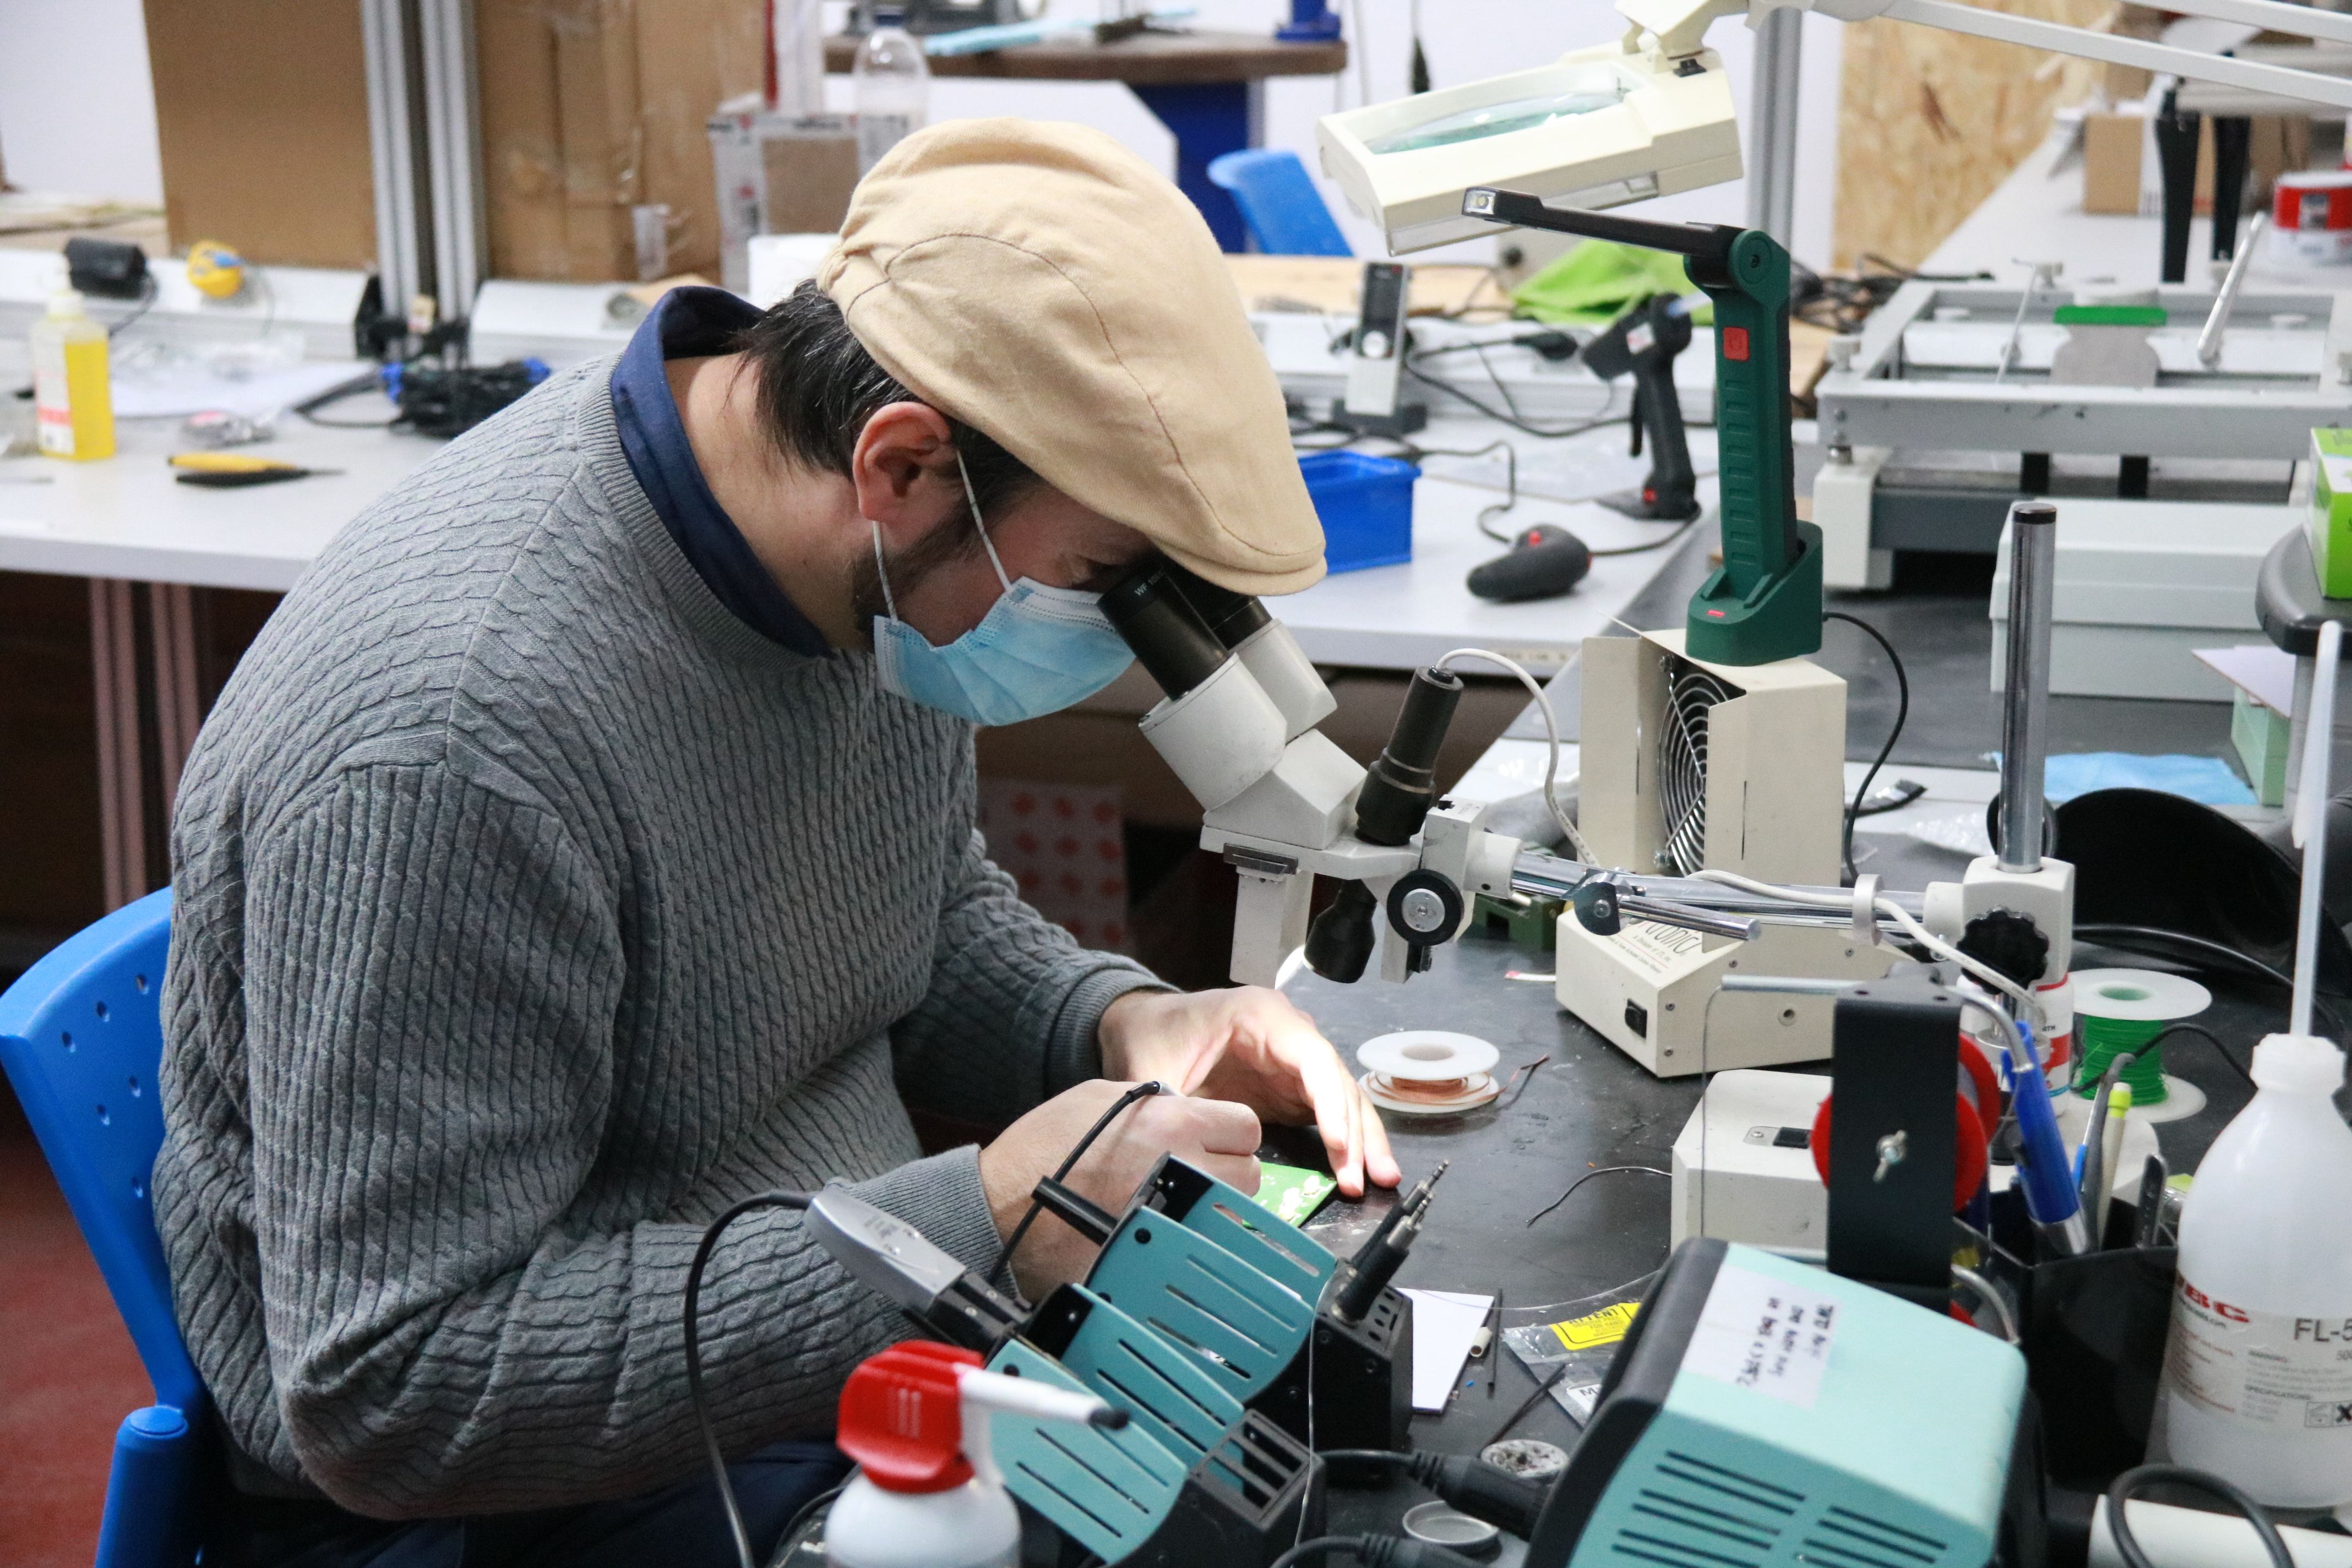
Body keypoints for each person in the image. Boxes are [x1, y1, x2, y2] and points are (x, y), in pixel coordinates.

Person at [155, 119, 1400, 1567]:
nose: (1107, 633)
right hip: (508, 1497)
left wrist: (1122, 1019)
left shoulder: (843, 557)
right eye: (1102, 578)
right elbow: (396, 1395)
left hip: (821, 1339)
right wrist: (983, 1213)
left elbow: (908, 926)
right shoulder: (456, 748)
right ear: (901, 463)